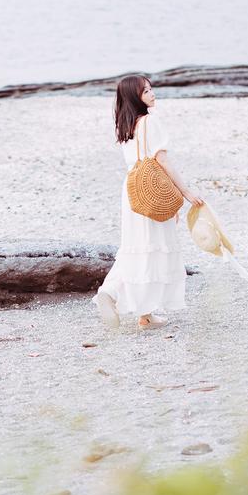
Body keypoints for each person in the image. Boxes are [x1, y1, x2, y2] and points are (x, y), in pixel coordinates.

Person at [94, 74, 204, 329]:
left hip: (133, 188)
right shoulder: (150, 122)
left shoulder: (125, 125)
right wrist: (185, 192)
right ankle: (138, 308)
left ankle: (117, 296)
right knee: (153, 247)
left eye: (151, 89)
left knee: (135, 246)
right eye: (145, 91)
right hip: (152, 188)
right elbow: (161, 160)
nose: (152, 94)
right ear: (135, 97)